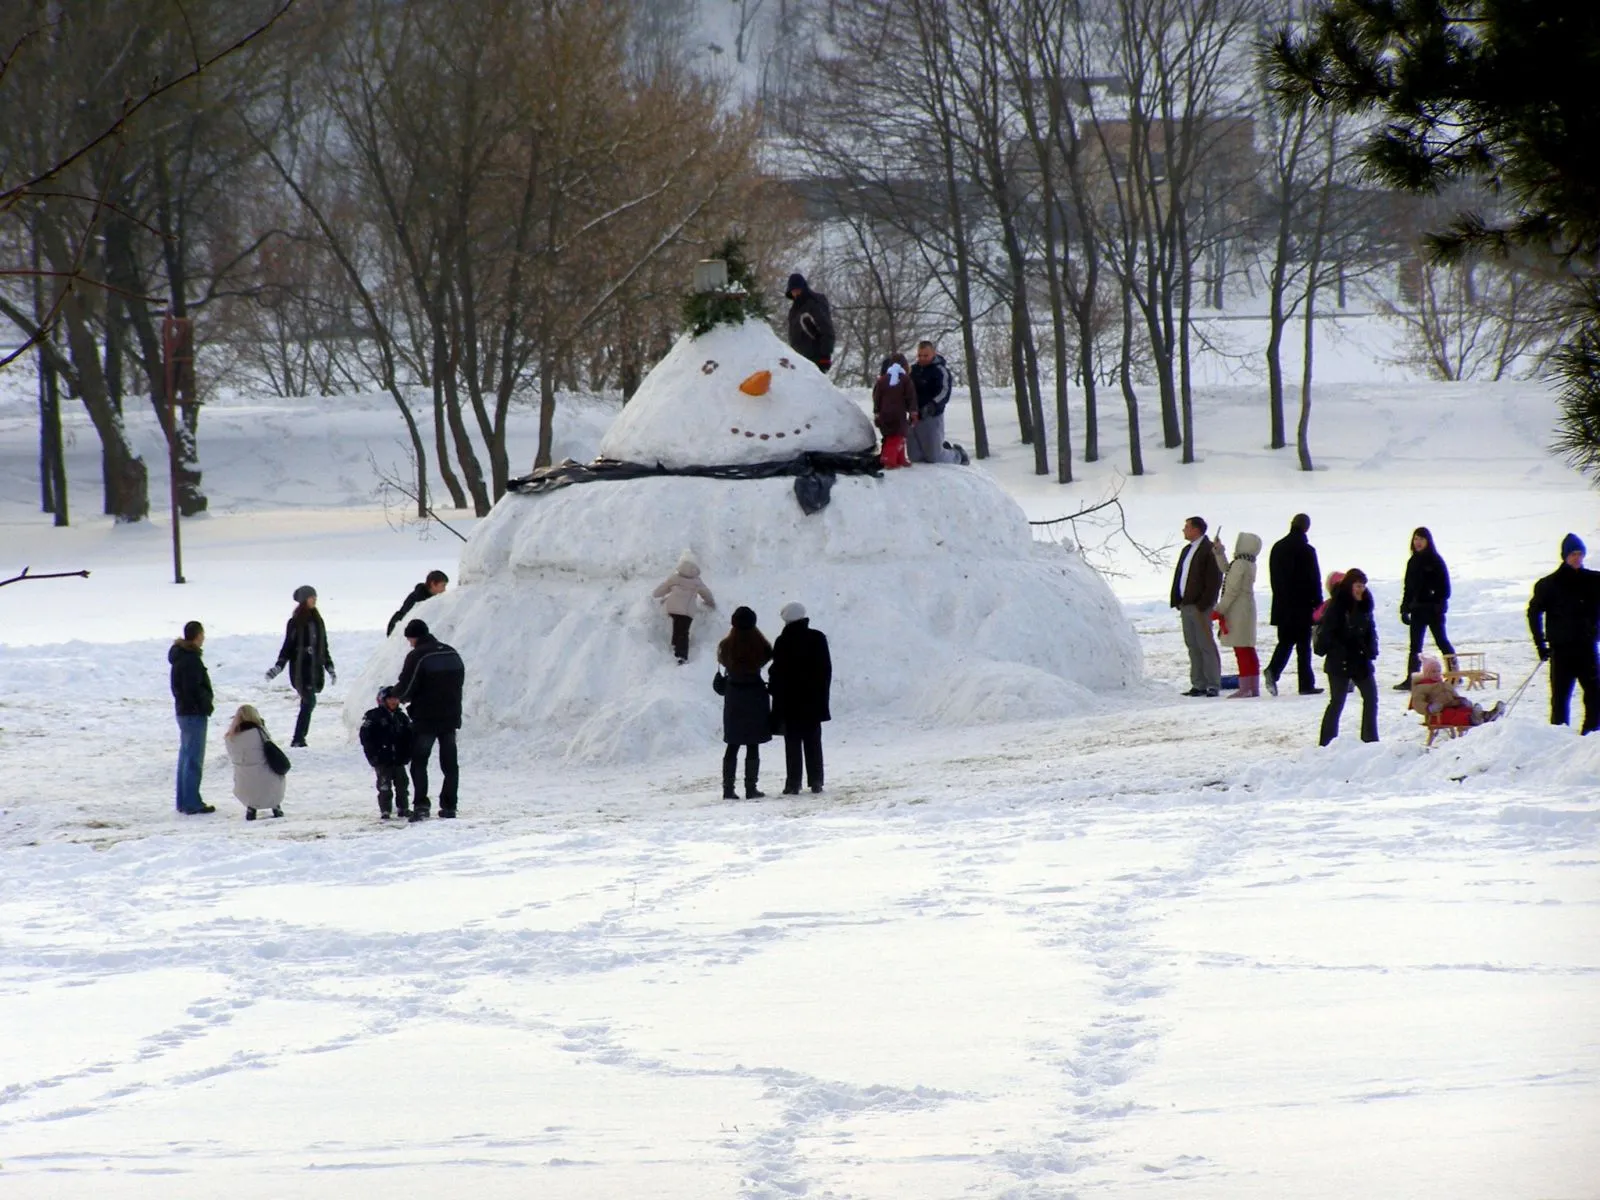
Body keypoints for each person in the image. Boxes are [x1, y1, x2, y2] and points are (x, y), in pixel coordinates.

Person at [1527, 533, 1600, 732]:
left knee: (1595, 695)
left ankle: (1590, 736)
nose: (1577, 558)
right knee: (1560, 699)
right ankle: (1558, 740)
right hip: (1561, 649)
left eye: (1580, 554)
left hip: (1587, 647)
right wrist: (1540, 644)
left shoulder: (1593, 580)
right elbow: (1533, 612)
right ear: (1565, 556)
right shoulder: (1549, 584)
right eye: (1573, 554)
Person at [394, 619, 466, 819]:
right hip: (450, 716)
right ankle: (450, 805)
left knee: (419, 761)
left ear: (414, 637)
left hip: (426, 717)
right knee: (450, 763)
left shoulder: (418, 656)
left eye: (409, 639)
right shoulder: (451, 652)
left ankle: (421, 804)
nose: (409, 643)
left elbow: (407, 686)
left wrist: (396, 696)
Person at [768, 602, 832, 795]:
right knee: (813, 740)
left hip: (790, 701)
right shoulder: (817, 637)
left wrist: (775, 691)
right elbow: (825, 669)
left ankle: (793, 783)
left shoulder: (783, 641)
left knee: (793, 742)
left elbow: (776, 672)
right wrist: (822, 695)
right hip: (812, 699)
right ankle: (816, 780)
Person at [1316, 568, 1380, 746]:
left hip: (1361, 660)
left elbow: (1370, 630)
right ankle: (1326, 742)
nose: (1361, 590)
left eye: (1363, 586)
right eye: (1357, 586)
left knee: (1371, 697)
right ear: (1349, 586)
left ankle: (1370, 739)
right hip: (1340, 661)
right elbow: (1327, 634)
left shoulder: (1365, 604)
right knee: (1337, 701)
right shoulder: (1337, 606)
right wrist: (1340, 647)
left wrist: (1371, 649)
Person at [1264, 513, 1324, 697]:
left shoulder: (1277, 548)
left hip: (1282, 605)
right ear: (1306, 528)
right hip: (1302, 605)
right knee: (1303, 646)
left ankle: (1273, 670)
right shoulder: (1306, 550)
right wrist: (1318, 603)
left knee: (1286, 641)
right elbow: (1314, 579)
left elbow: (1275, 579)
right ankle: (1305, 684)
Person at [267, 585, 335, 747]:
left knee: (308, 702)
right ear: (304, 600)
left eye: (315, 597)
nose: (315, 600)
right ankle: (298, 738)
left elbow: (323, 646)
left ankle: (299, 738)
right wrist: (278, 667)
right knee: (309, 701)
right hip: (301, 671)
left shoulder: (318, 622)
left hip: (315, 669)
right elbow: (288, 646)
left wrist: (329, 666)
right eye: (312, 597)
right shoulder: (295, 622)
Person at [716, 606, 773, 800]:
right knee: (752, 742)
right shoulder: (761, 645)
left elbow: (723, 662)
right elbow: (766, 657)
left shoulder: (726, 645)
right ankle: (751, 787)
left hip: (734, 695)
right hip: (755, 694)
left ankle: (728, 788)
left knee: (733, 743)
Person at [1396, 527, 1456, 690]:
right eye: (1415, 539)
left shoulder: (1436, 560)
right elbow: (1408, 588)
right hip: (1417, 610)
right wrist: (1404, 608)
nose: (1418, 542)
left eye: (1421, 539)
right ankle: (1411, 678)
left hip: (1434, 610)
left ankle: (1454, 674)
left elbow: (1445, 589)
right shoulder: (1413, 561)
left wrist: (1437, 602)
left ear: (1428, 541)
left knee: (1441, 641)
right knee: (1415, 646)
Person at [1170, 516, 1223, 696]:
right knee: (1192, 645)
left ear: (1196, 529)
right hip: (1186, 605)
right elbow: (1181, 575)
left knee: (1205, 645)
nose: (1184, 530)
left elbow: (1214, 580)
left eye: (1187, 527)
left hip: (1201, 607)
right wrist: (1177, 598)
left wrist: (1204, 604)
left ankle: (1213, 683)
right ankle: (1198, 683)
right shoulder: (1187, 550)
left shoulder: (1208, 550)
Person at [169, 620, 216, 815]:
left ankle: (183, 800)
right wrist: (204, 705)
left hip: (183, 711)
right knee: (193, 759)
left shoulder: (180, 657)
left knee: (186, 756)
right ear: (197, 635)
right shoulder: (191, 659)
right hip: (193, 713)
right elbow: (193, 688)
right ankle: (191, 802)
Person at [1213, 532, 1262, 697]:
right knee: (1248, 648)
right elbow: (1227, 570)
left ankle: (1245, 687)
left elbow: (1232, 590)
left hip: (1237, 611)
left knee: (1241, 650)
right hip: (1246, 609)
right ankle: (1252, 686)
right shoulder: (1248, 563)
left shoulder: (1240, 564)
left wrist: (1219, 609)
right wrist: (1219, 553)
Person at [907, 340, 968, 465]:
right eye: (920, 355)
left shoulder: (940, 371)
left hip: (932, 416)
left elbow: (944, 392)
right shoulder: (913, 370)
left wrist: (932, 406)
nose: (922, 358)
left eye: (926, 355)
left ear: (933, 354)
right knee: (914, 456)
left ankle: (958, 455)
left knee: (933, 457)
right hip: (914, 416)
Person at [359, 686, 415, 819]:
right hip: (382, 758)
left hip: (399, 758)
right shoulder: (373, 716)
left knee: (402, 784)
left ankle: (403, 808)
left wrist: (408, 752)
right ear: (382, 700)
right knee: (384, 786)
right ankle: (385, 810)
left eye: (396, 699)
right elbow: (366, 738)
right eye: (390, 699)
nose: (394, 702)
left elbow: (409, 736)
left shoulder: (401, 717)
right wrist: (373, 755)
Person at [651, 552, 716, 663]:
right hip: (687, 611)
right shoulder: (697, 582)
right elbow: (706, 594)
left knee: (677, 625)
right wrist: (711, 603)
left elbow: (660, 590)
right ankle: (681, 656)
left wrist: (656, 595)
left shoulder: (675, 578)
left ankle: (675, 644)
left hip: (672, 607)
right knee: (683, 631)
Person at [224, 704, 286, 820]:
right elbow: (269, 747)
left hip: (243, 788)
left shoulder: (230, 738)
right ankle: (275, 806)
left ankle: (251, 808)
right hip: (269, 786)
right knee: (269, 773)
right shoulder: (259, 732)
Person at [1408, 656, 1501, 727]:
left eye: (1438, 671)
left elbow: (1454, 696)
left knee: (1465, 710)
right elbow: (1417, 702)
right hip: (1436, 715)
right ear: (1426, 673)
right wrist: (1429, 708)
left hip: (1452, 707)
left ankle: (1486, 715)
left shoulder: (1445, 684)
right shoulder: (1421, 687)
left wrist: (1461, 701)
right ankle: (1473, 719)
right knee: (1453, 715)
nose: (1436, 674)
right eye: (1433, 672)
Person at [872, 353, 917, 469]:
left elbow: (876, 397)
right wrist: (913, 412)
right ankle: (889, 460)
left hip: (884, 414)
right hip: (899, 415)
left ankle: (900, 458)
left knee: (891, 436)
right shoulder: (905, 380)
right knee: (897, 437)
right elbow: (911, 397)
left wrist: (877, 413)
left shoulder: (882, 380)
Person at [785, 272, 835, 372]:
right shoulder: (794, 310)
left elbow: (827, 329)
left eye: (797, 290)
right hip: (799, 358)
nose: (795, 293)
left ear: (803, 288)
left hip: (816, 357)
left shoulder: (814, 303)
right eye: (793, 291)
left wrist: (825, 356)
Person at [387, 570, 449, 636]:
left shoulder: (431, 598)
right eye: (443, 585)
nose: (444, 590)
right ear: (433, 584)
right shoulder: (418, 599)